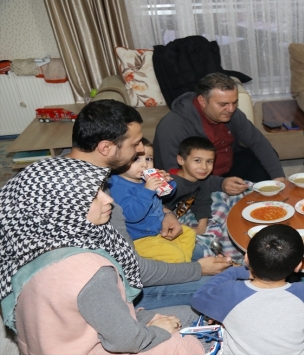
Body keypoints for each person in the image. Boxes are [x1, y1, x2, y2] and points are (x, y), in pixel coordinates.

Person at [0, 156, 204, 353]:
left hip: (62, 342)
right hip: (99, 345)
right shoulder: (91, 270)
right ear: (64, 207)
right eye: (94, 195)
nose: (108, 199)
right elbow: (127, 341)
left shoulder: (27, 250)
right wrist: (159, 331)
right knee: (189, 331)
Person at [52, 100, 232, 310]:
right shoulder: (97, 193)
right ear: (106, 147)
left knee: (204, 255)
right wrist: (196, 270)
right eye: (135, 144)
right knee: (221, 286)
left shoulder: (63, 167)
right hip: (104, 292)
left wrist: (166, 213)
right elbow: (134, 269)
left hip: (125, 262)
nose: (140, 149)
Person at [191, 225, 304, 354]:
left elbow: (198, 297)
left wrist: (233, 272)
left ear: (246, 258)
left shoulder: (230, 292)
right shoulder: (302, 291)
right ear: (298, 266)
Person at [154, 72, 285, 195]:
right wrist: (220, 184)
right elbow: (175, 175)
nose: (231, 109)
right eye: (223, 104)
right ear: (202, 101)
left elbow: (258, 142)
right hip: (196, 181)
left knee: (264, 158)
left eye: (234, 102)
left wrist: (279, 178)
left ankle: (260, 200)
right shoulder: (173, 127)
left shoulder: (230, 113)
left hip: (227, 168)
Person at [109, 138, 197, 264]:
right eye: (136, 159)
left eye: (149, 159)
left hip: (160, 230)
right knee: (175, 255)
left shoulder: (146, 179)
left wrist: (167, 182)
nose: (145, 164)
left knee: (189, 233)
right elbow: (132, 216)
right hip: (140, 240)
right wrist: (148, 190)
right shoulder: (117, 185)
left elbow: (168, 194)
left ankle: (183, 264)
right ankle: (182, 265)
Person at [162, 136, 216, 236]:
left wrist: (201, 227)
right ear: (181, 160)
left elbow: (203, 203)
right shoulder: (171, 183)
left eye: (209, 161)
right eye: (197, 160)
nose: (204, 167)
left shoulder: (201, 178)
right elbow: (155, 209)